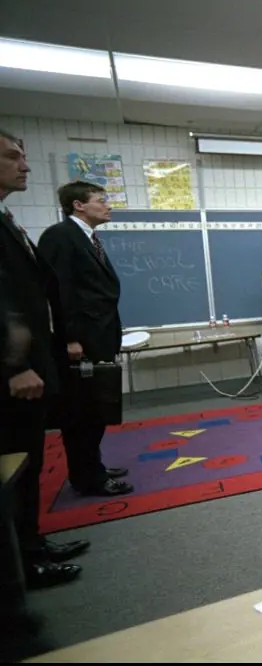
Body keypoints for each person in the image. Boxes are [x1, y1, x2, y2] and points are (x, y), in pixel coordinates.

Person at [0, 128, 87, 588]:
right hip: (14, 373)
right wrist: (13, 364)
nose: (25, 165)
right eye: (14, 156)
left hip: (33, 364)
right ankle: (21, 564)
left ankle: (32, 545)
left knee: (30, 462)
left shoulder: (7, 219)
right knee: (14, 467)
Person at [37, 181, 133, 497]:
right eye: (100, 200)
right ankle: (88, 478)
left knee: (96, 409)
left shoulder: (88, 238)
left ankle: (93, 466)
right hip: (80, 342)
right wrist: (70, 339)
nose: (108, 205)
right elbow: (58, 292)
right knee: (81, 412)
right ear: (79, 205)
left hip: (99, 335)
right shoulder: (60, 236)